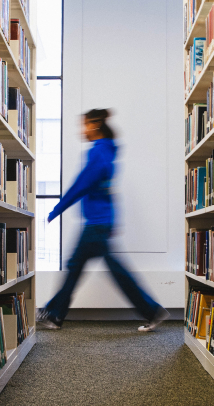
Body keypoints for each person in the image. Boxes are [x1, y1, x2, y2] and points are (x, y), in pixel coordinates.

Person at [37, 108, 170, 332]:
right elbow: (106, 191)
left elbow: (82, 184)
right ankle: (55, 313)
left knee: (93, 269)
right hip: (100, 222)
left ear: (95, 125)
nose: (83, 130)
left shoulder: (98, 153)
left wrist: (56, 209)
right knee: (80, 267)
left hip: (96, 225)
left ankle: (54, 313)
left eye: (85, 124)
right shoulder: (106, 151)